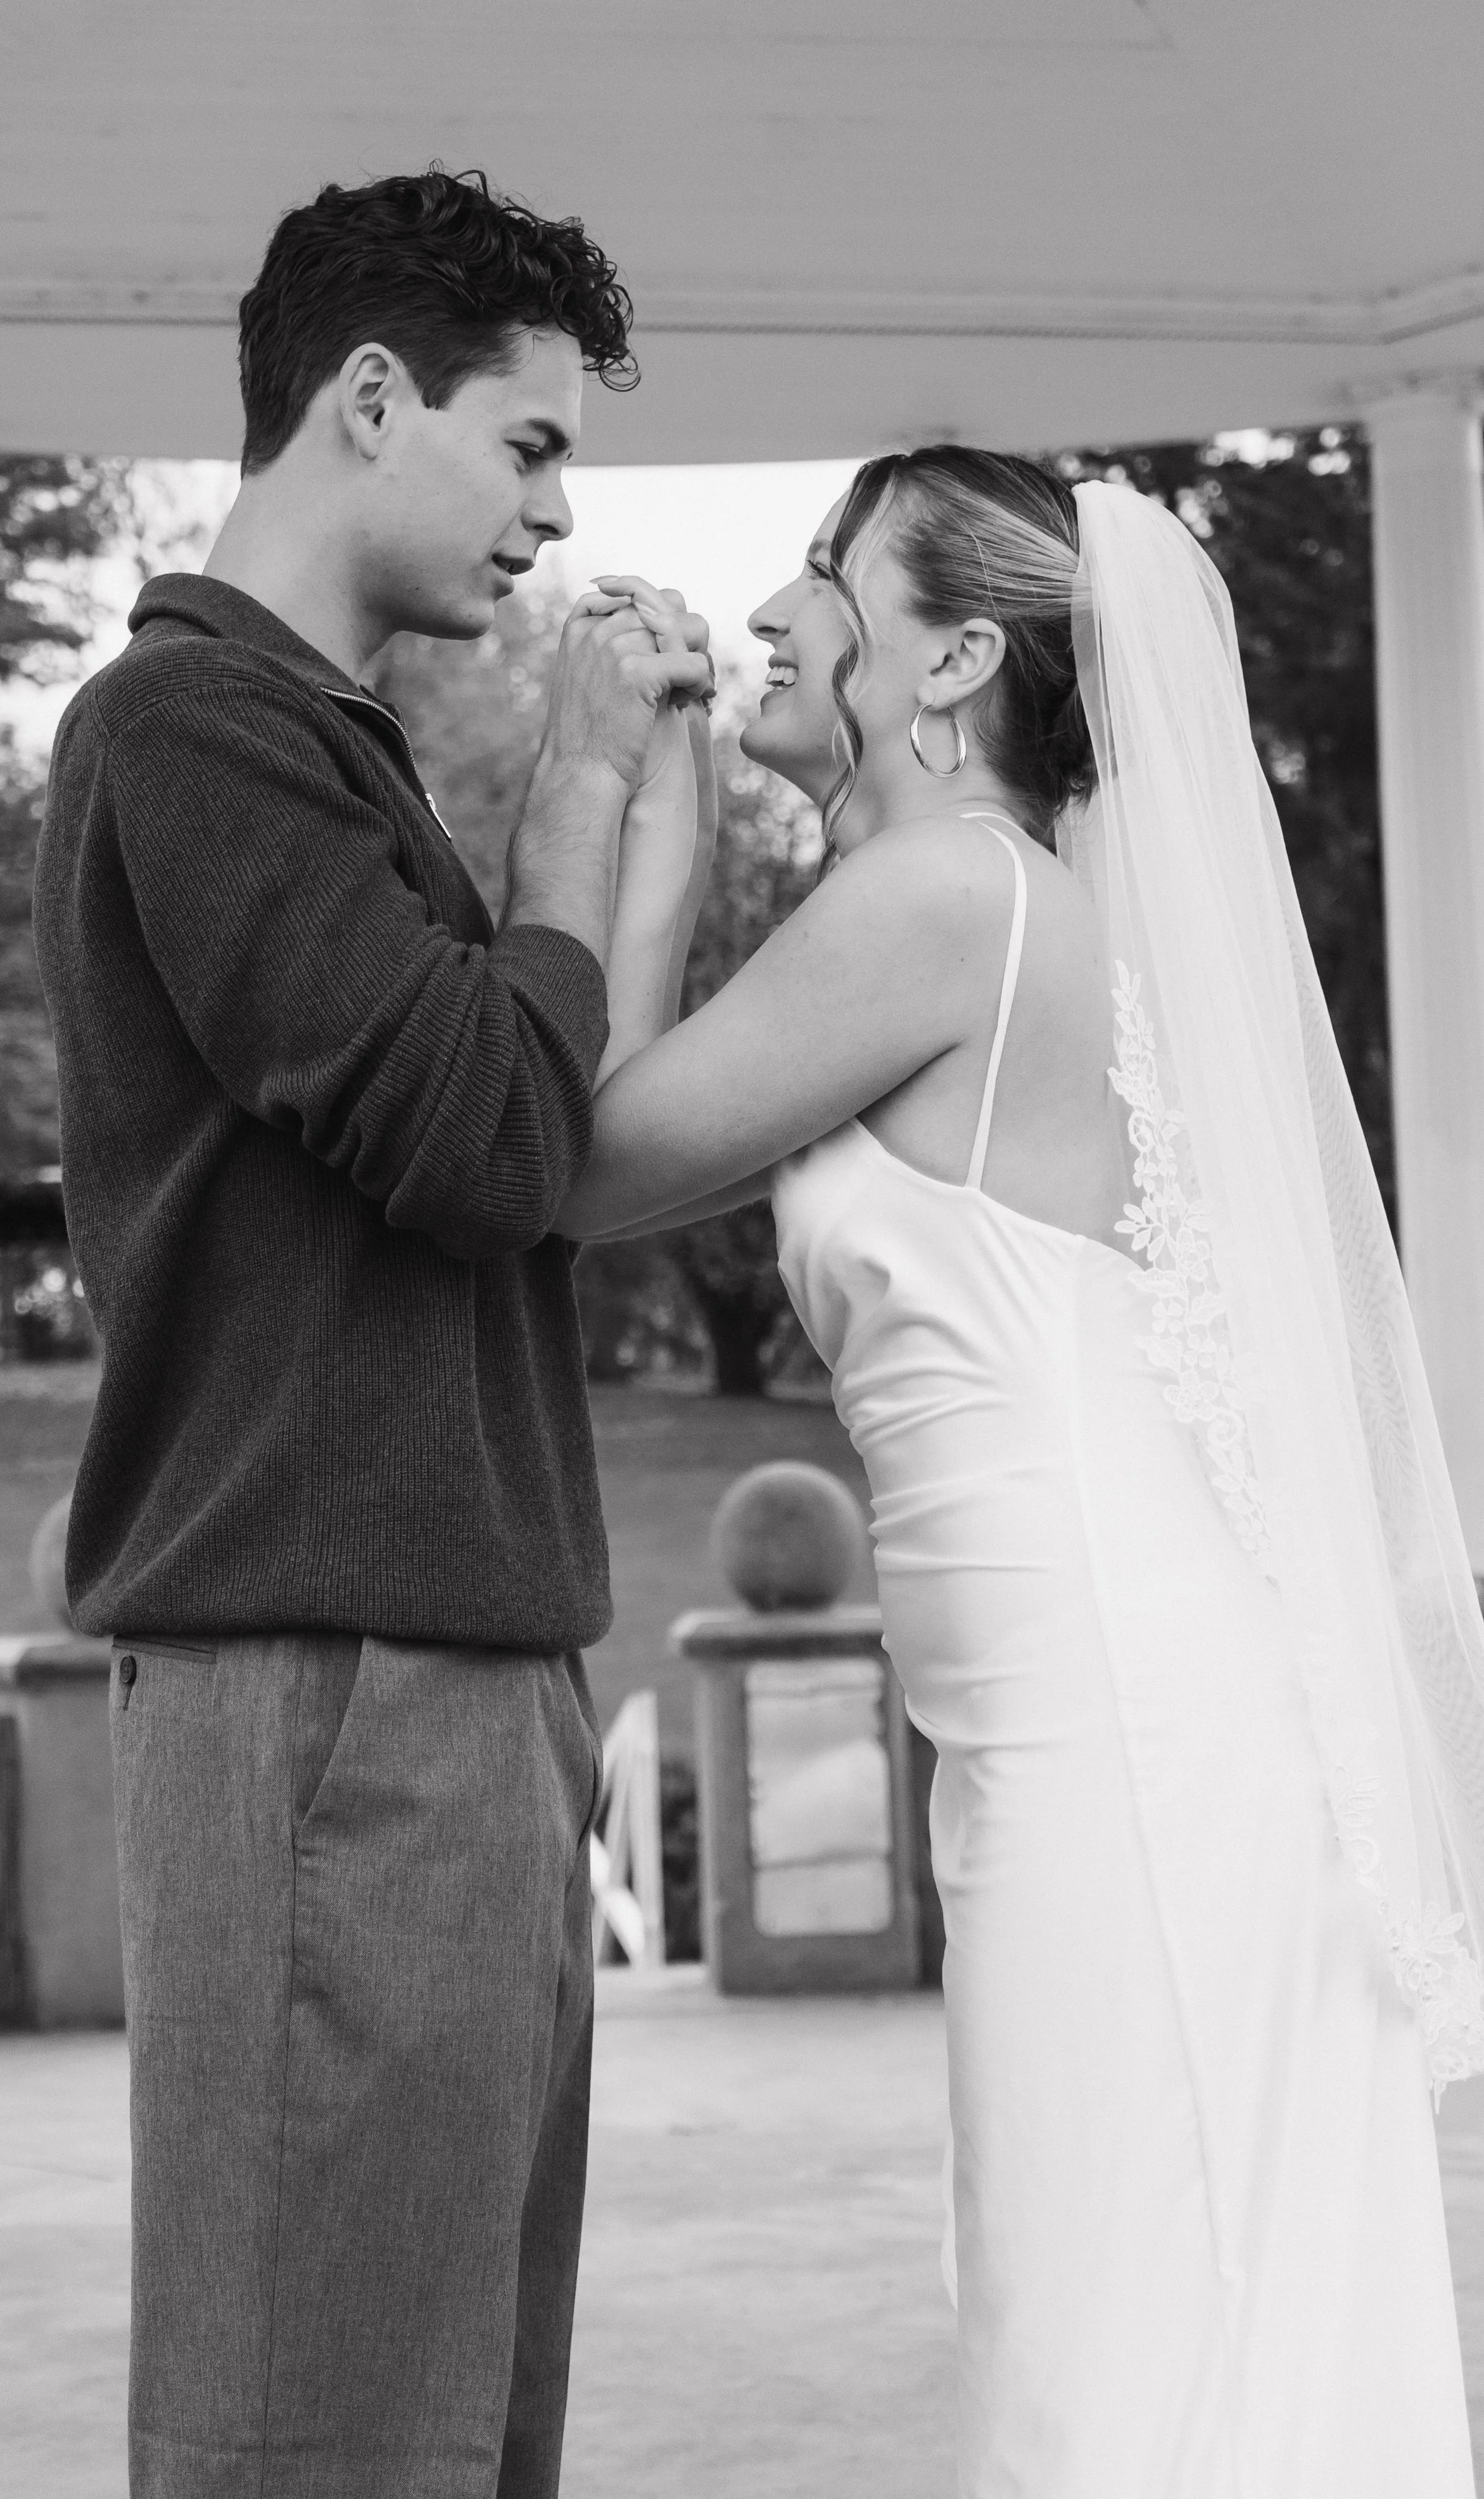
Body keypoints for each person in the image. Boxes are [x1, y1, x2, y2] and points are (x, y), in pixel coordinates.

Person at [557, 448, 1484, 2494]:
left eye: (826, 570)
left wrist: (645, 814)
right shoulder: (962, 901)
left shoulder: (953, 893)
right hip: (1093, 1715)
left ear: (955, 654)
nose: (779, 607)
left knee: (1110, 2320)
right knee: (1113, 2293)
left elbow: (580, 1157)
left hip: (1123, 1743)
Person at [32, 168, 711, 2499]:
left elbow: (551, 1102)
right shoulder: (187, 728)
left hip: (444, 1667)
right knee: (321, 2436)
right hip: (329, 1678)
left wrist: (642, 800)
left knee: (442, 2418)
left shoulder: (334, 751)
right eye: (528, 444)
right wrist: (592, 783)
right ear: (369, 395)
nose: (552, 509)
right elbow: (482, 1129)